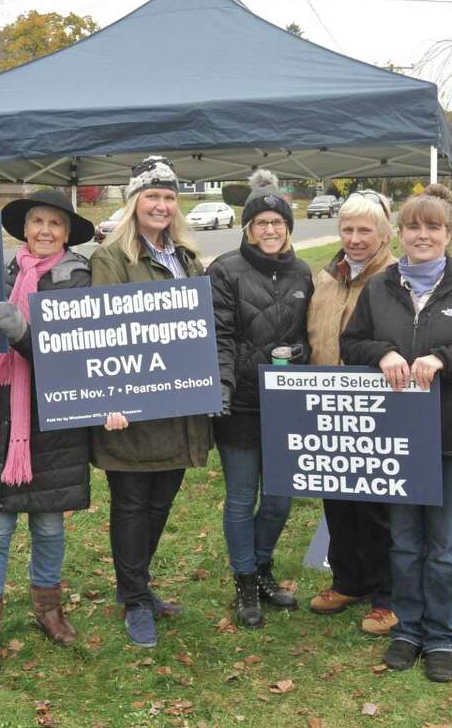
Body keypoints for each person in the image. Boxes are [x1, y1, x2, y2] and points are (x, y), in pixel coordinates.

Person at [340, 182, 452, 683]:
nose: (423, 235)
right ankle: (407, 630)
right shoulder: (380, 287)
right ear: (400, 233)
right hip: (396, 437)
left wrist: (446, 359)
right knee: (403, 541)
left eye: (433, 227)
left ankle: (440, 636)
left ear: (447, 233)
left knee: (442, 545)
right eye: (413, 226)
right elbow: (350, 342)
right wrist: (383, 354)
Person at [0, 190, 94, 674]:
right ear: (25, 227)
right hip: (1, 412)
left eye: (55, 224)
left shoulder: (78, 278)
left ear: (66, 232)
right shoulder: (2, 273)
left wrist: (20, 334)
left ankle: (48, 610)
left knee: (50, 523)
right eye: (37, 221)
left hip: (54, 413)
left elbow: (71, 355)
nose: (44, 230)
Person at [89, 155, 212, 649]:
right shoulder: (112, 259)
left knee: (161, 501)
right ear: (134, 201)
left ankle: (138, 585)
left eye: (168, 197)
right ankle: (135, 598)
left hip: (179, 407)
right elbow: (100, 333)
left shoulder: (185, 257)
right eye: (152, 196)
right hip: (132, 408)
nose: (160, 205)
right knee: (132, 503)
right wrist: (111, 397)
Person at [206, 170, 312, 628]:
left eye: (278, 222)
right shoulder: (225, 270)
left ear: (288, 227)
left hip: (286, 403)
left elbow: (309, 332)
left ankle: (263, 563)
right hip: (241, 403)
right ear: (247, 228)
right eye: (261, 222)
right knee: (241, 497)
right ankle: (244, 579)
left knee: (280, 498)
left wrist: (302, 354)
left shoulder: (304, 272)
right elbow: (220, 335)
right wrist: (224, 388)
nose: (270, 229)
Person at [305, 192, 399, 636]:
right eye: (348, 230)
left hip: (378, 407)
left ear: (384, 235)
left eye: (365, 231)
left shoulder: (397, 280)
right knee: (337, 499)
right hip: (326, 404)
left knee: (377, 504)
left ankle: (387, 595)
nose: (356, 239)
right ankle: (347, 580)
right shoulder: (326, 278)